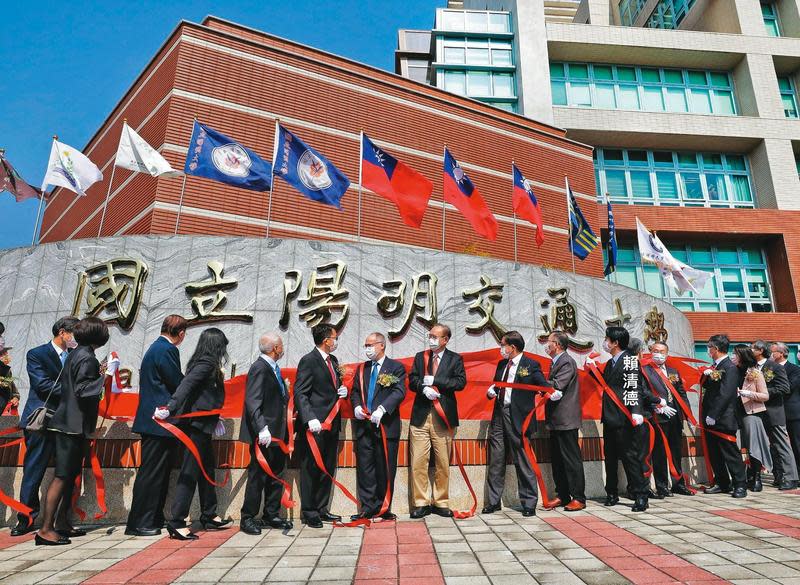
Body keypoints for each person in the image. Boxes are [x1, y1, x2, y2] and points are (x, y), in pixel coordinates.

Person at [35, 317, 109, 546]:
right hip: (71, 426)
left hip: (68, 423)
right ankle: (46, 529)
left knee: (69, 476)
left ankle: (62, 523)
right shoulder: (86, 356)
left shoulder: (79, 353)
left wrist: (99, 373)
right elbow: (83, 390)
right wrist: (105, 378)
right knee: (62, 476)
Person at [155, 327, 232, 540]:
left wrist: (215, 417)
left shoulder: (203, 362)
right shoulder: (206, 363)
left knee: (206, 467)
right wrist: (170, 407)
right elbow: (186, 386)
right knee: (189, 471)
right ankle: (177, 521)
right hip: (196, 427)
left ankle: (209, 513)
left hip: (204, 424)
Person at [12, 316, 78, 537]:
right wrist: (75, 389)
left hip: (65, 422)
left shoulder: (75, 356)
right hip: (40, 420)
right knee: (34, 470)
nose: (75, 339)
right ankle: (26, 518)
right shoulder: (37, 354)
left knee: (65, 472)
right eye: (74, 334)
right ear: (62, 332)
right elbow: (42, 384)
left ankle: (60, 519)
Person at [125, 315, 187, 536]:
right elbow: (177, 383)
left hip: (153, 422)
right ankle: (140, 523)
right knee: (152, 473)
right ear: (181, 334)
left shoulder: (155, 348)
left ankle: (152, 518)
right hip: (158, 423)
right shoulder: (167, 350)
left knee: (156, 473)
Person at [482, 331, 548, 516]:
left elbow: (542, 385)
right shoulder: (502, 364)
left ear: (513, 347)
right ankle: (494, 502)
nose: (501, 348)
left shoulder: (531, 364)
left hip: (518, 417)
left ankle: (529, 503)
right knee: (496, 459)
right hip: (499, 415)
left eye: (503, 345)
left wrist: (549, 390)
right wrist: (491, 391)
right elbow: (497, 386)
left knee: (522, 459)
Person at [408, 324, 466, 519]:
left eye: (435, 336)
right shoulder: (420, 356)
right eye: (429, 335)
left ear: (445, 339)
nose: (431, 339)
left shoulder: (455, 358)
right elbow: (412, 379)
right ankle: (421, 502)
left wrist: (437, 380)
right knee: (418, 462)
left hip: (443, 418)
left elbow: (460, 383)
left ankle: (441, 502)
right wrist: (422, 387)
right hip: (420, 417)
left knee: (442, 462)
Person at [294, 324, 348, 528]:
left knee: (327, 466)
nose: (336, 341)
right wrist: (309, 418)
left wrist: (343, 391)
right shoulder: (309, 360)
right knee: (311, 468)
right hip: (315, 426)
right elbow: (300, 392)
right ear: (326, 340)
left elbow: (332, 387)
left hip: (332, 424)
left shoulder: (333, 361)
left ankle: (322, 508)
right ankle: (309, 511)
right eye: (335, 337)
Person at [350, 332, 407, 521]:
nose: (367, 348)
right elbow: (355, 392)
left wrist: (382, 409)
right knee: (365, 468)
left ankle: (384, 507)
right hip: (364, 427)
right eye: (365, 345)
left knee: (385, 467)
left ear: (381, 345)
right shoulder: (362, 369)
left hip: (386, 426)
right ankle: (367, 507)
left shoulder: (395, 367)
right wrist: (357, 406)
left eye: (370, 345)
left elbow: (399, 392)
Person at [239, 333, 292, 535]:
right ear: (275, 348)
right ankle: (248, 517)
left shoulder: (273, 368)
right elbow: (253, 401)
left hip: (279, 432)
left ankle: (271, 513)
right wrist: (261, 427)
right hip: (265, 433)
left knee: (277, 473)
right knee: (258, 476)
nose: (282, 348)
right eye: (281, 345)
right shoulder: (259, 368)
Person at [594, 326, 649, 512]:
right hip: (609, 418)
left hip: (625, 417)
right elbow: (607, 385)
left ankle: (641, 495)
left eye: (607, 339)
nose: (605, 343)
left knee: (630, 457)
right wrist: (592, 369)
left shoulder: (630, 361)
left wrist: (636, 410)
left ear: (615, 342)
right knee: (610, 457)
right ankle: (612, 493)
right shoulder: (611, 363)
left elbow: (635, 388)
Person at [543, 331, 586, 511]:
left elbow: (557, 385)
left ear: (558, 345)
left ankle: (578, 497)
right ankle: (563, 494)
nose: (547, 345)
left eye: (550, 341)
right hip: (556, 419)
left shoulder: (566, 361)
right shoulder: (556, 362)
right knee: (558, 460)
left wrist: (536, 383)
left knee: (571, 459)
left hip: (566, 419)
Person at [643, 341, 692, 497]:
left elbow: (681, 393)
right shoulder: (646, 371)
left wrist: (687, 414)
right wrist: (657, 406)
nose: (659, 353)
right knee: (660, 453)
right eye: (656, 350)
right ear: (651, 352)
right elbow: (644, 393)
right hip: (658, 417)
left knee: (676, 451)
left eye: (662, 351)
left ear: (667, 353)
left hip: (675, 417)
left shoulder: (673, 371)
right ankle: (662, 485)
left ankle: (678, 483)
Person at [702, 334, 747, 497]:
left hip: (723, 418)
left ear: (716, 349)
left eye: (709, 347)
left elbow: (726, 394)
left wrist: (714, 414)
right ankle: (722, 482)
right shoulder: (715, 366)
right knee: (715, 453)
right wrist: (706, 376)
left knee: (730, 453)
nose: (708, 350)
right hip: (710, 418)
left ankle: (740, 484)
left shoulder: (729, 367)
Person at [751, 340, 798, 489]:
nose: (751, 350)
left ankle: (791, 478)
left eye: (753, 348)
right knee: (770, 446)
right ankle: (778, 476)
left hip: (776, 410)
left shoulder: (774, 367)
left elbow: (785, 388)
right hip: (759, 411)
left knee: (782, 445)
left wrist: (761, 393)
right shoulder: (753, 368)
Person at [732, 345, 772, 492]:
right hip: (734, 413)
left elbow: (765, 396)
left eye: (735, 354)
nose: (732, 356)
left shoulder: (755, 373)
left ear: (742, 355)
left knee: (753, 446)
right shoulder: (732, 371)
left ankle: (756, 477)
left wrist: (747, 393)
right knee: (736, 446)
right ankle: (742, 476)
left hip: (751, 412)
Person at [771, 343, 800, 471]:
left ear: (781, 353)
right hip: (774, 411)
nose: (770, 354)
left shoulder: (795, 369)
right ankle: (780, 474)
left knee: (796, 444)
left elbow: (788, 388)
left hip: (792, 413)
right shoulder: (769, 369)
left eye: (772, 351)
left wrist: (767, 391)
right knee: (776, 446)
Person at [0, 339, 21, 414]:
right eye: (2, 353)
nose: (6, 355)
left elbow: (12, 388)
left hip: (6, 410)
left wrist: (15, 398)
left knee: (8, 424)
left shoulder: (7, 371)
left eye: (6, 353)